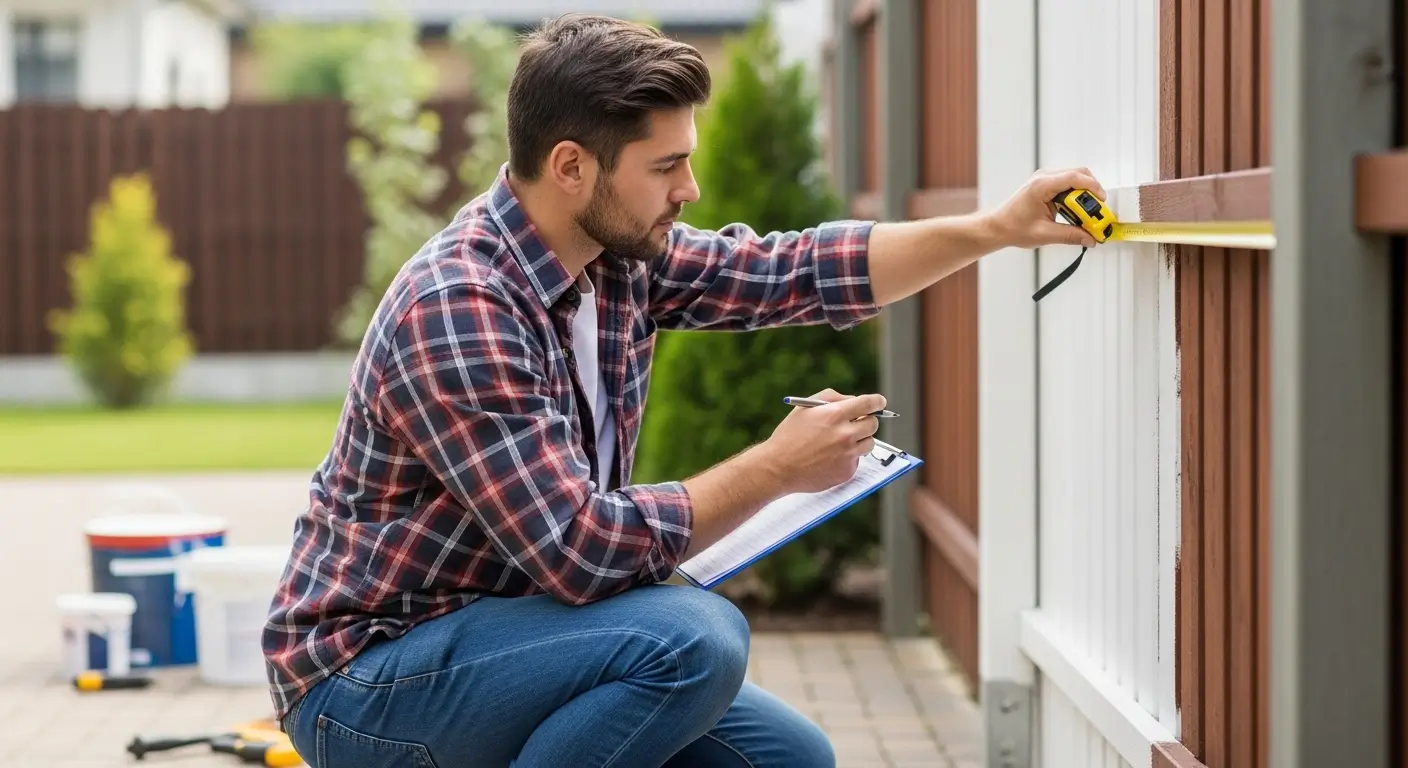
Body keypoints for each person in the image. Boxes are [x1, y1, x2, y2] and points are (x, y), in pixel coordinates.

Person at [263, 12, 1105, 768]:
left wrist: (996, 230)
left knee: (787, 758)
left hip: (517, 636)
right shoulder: (460, 306)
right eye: (666, 166)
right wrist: (776, 470)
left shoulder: (616, 260)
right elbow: (578, 550)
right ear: (570, 167)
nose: (689, 190)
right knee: (690, 640)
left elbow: (795, 271)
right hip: (367, 680)